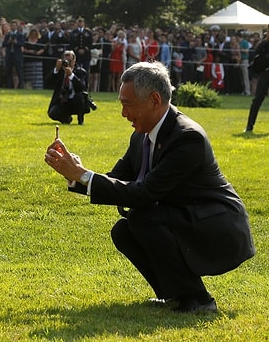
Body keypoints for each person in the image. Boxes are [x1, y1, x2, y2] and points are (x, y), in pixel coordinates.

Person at [45, 62, 255, 313]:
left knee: (143, 218)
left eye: (127, 104)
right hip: (185, 218)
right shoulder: (141, 134)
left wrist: (83, 175)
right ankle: (175, 295)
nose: (123, 113)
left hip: (217, 227)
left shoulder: (188, 137)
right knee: (124, 230)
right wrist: (76, 173)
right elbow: (118, 178)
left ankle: (199, 299)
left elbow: (144, 194)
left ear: (154, 99)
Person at [45, 50, 87, 125]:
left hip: (75, 100)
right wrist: (56, 69)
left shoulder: (80, 71)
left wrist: (71, 75)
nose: (67, 63)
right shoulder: (60, 72)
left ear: (74, 61)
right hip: (63, 100)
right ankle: (66, 118)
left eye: (69, 61)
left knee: (79, 97)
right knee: (52, 113)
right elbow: (48, 82)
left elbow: (81, 87)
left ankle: (80, 120)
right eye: (65, 61)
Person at [245, 35, 269, 132]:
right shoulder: (264, 43)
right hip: (265, 72)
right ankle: (249, 126)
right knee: (257, 99)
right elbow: (257, 53)